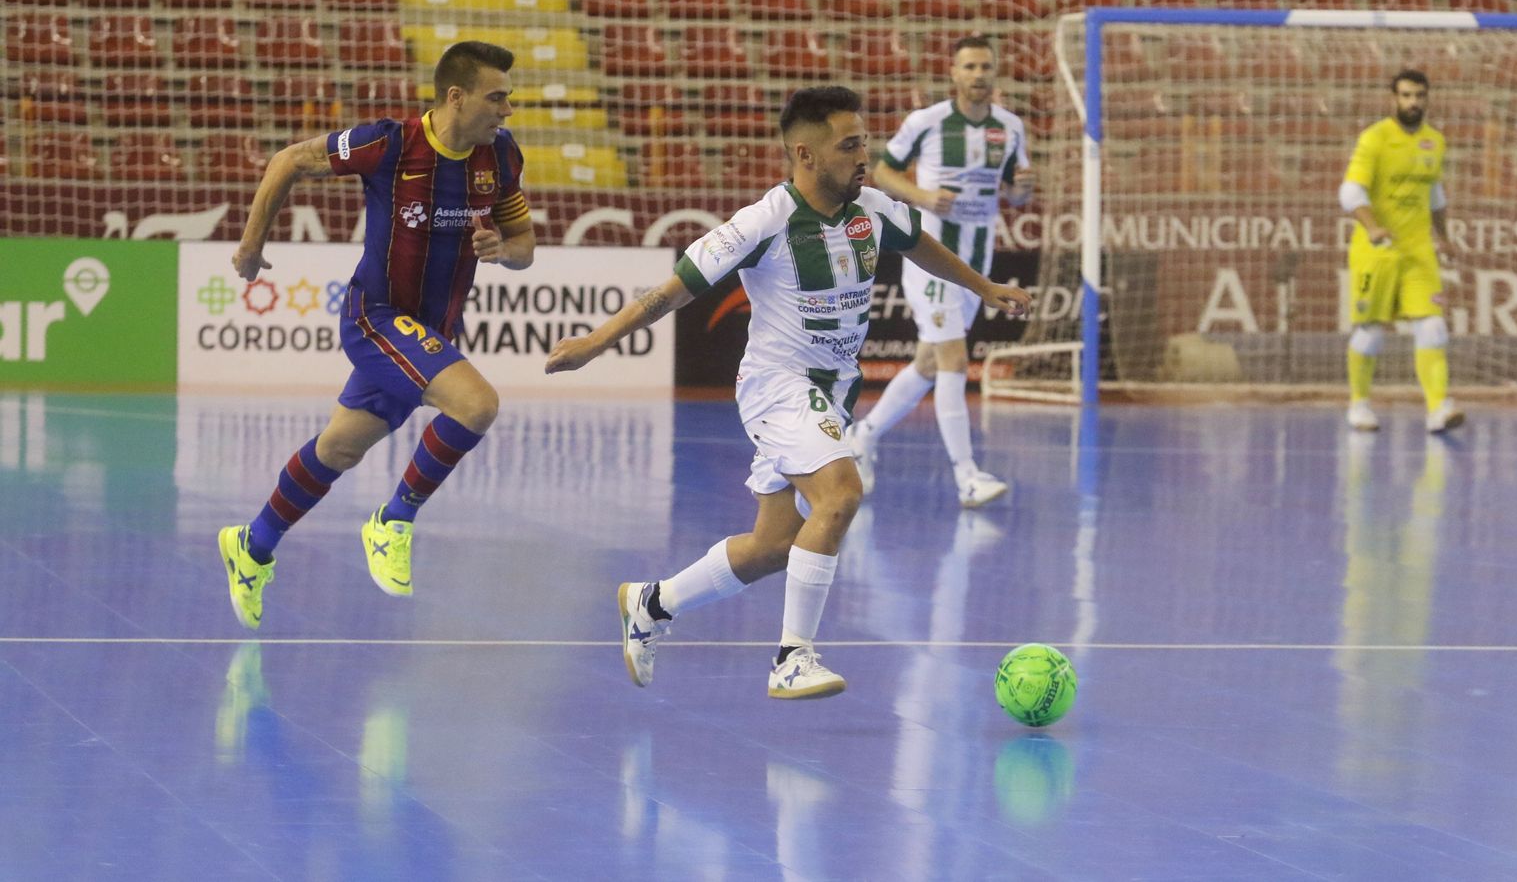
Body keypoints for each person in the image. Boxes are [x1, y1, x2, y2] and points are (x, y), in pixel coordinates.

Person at [545, 86, 1031, 699]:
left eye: (865, 141)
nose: (864, 155)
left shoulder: (873, 208)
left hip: (832, 392)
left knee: (774, 546)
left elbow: (920, 245)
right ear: (805, 154)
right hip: (779, 386)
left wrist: (983, 286)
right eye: (849, 145)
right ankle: (792, 658)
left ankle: (652, 602)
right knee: (841, 494)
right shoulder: (764, 221)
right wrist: (597, 340)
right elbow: (673, 290)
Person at [217, 41, 535, 629]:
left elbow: (524, 248)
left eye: (508, 99)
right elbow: (288, 160)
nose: (507, 110)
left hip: (429, 332)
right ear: (455, 97)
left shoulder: (502, 156)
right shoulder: (390, 144)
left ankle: (252, 546)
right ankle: (393, 520)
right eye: (497, 98)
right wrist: (251, 242)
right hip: (377, 316)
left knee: (339, 447)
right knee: (477, 404)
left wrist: (502, 251)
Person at [847, 35, 1035, 509]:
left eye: (985, 66)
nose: (978, 74)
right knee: (954, 357)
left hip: (977, 263)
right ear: (953, 73)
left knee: (930, 362)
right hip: (929, 257)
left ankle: (862, 436)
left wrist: (1021, 191)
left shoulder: (1010, 128)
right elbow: (882, 172)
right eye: (969, 66)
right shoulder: (926, 123)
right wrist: (924, 197)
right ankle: (967, 477)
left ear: (995, 73)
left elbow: (1015, 194)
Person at [1340, 68, 1464, 434]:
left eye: (1419, 96)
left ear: (1428, 98)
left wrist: (1443, 235)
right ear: (1393, 98)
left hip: (1417, 252)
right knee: (1371, 332)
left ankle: (1438, 408)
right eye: (1406, 95)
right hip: (1376, 252)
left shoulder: (1434, 141)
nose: (1413, 102)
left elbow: (1435, 194)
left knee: (1434, 327)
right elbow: (1350, 192)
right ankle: (1359, 404)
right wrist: (1373, 226)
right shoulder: (1374, 139)